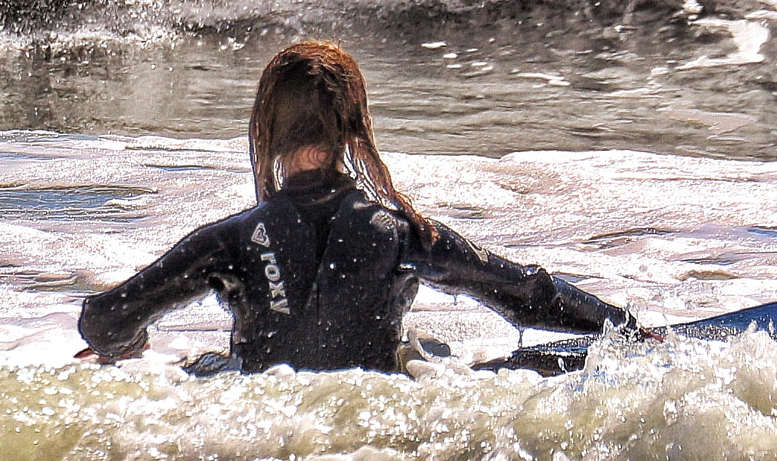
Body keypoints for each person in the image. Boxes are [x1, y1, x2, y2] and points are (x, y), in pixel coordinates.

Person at [78, 41, 636, 373]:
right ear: (352, 130)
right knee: (447, 358)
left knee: (205, 368)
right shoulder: (402, 235)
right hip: (372, 411)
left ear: (267, 132)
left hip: (258, 420)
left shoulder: (227, 242)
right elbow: (529, 297)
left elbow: (104, 319)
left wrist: (129, 344)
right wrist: (625, 328)